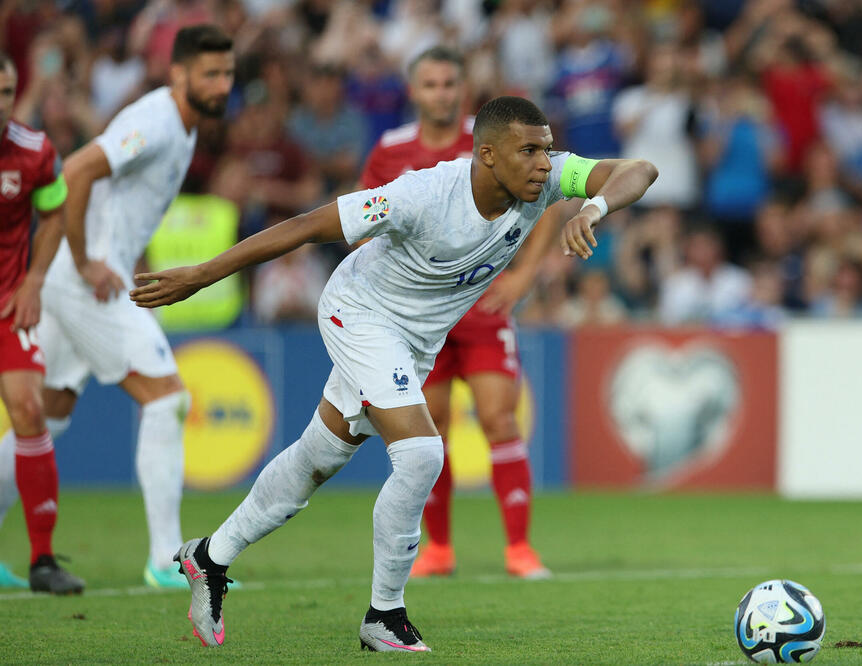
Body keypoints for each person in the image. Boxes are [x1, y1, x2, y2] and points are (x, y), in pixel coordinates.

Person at [130, 95, 657, 651]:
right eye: (528, 151)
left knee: (320, 456)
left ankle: (208, 557)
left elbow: (638, 170)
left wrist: (592, 208)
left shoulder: (545, 183)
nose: (545, 164)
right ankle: (385, 615)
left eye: (547, 150)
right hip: (358, 313)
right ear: (487, 155)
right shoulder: (424, 195)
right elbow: (313, 224)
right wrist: (204, 274)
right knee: (423, 453)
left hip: (415, 340)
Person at [0, 25, 235, 589]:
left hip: (80, 279)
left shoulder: (183, 125)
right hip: (85, 283)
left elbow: (125, 202)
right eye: (210, 73)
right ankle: (165, 559)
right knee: (168, 399)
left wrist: (126, 256)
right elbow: (76, 170)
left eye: (228, 73)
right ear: (177, 73)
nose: (223, 84)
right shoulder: (154, 120)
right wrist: (85, 260)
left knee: (47, 414)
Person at [361, 45, 551, 579]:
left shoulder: (496, 140)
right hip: (420, 319)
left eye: (450, 84)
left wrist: (523, 275)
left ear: (463, 89)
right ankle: (439, 549)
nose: (441, 94)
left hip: (481, 308)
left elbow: (551, 200)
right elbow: (362, 219)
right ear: (414, 91)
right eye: (431, 85)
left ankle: (519, 549)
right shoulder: (390, 149)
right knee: (433, 429)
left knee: (497, 417)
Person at [0, 52, 84, 594]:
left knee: (30, 408)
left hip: (10, 304)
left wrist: (33, 281)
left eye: (6, 92)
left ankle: (42, 560)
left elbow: (54, 212)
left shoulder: (35, 152)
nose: (0, 104)